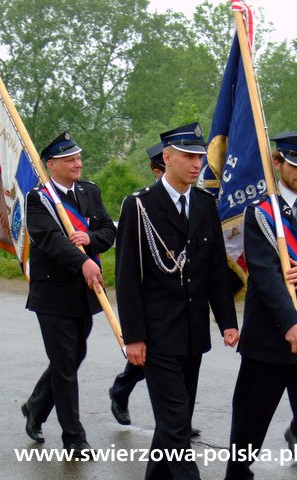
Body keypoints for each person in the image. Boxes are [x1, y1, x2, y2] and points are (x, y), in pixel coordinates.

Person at [115, 122, 239, 479]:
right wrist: (133, 336)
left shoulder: (203, 204)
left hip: (193, 331)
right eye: (187, 156)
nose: (196, 164)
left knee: (174, 421)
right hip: (157, 335)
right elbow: (127, 279)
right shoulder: (140, 206)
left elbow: (216, 270)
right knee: (175, 423)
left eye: (199, 156)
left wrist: (227, 321)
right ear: (166, 158)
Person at [225, 130, 297, 480]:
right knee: (250, 419)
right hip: (270, 339)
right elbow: (264, 274)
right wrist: (291, 322)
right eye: (295, 165)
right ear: (277, 163)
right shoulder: (260, 214)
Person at [21, 131, 116, 458]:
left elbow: (108, 232)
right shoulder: (38, 199)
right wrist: (82, 263)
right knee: (64, 364)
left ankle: (35, 405)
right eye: (70, 160)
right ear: (51, 165)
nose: (78, 163)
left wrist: (89, 239)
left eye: (78, 158)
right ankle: (74, 438)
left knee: (72, 359)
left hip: (85, 295)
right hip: (53, 296)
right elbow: (50, 240)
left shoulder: (90, 192)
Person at [108, 143, 164, 427]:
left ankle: (176, 418)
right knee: (147, 357)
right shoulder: (142, 204)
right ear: (157, 170)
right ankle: (121, 391)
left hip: (177, 303)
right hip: (148, 299)